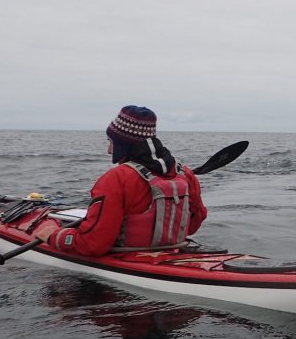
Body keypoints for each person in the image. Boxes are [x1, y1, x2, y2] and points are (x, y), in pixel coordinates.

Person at [34, 106, 208, 256]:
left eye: (111, 142)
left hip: (128, 263)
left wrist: (55, 235)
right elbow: (192, 224)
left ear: (125, 144)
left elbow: (93, 245)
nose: (109, 150)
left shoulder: (116, 179)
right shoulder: (184, 173)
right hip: (173, 252)